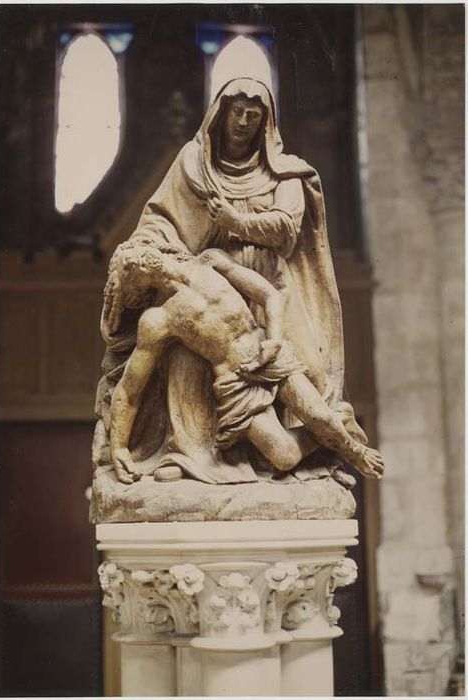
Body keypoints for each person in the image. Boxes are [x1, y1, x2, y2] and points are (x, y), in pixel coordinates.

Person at [94, 77, 348, 484]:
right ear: (221, 113)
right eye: (237, 112)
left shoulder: (286, 173)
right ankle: (191, 454)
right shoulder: (192, 164)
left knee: (312, 375)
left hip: (268, 283)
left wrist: (235, 221)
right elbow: (160, 220)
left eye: (254, 115)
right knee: (185, 354)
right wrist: (144, 252)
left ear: (266, 123)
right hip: (210, 278)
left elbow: (286, 229)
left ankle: (321, 442)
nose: (243, 122)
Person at [107, 243, 384, 485]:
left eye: (134, 254)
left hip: (266, 354)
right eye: (127, 268)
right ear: (134, 287)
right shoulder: (157, 320)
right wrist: (118, 447)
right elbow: (130, 390)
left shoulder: (211, 261)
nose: (135, 261)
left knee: (319, 417)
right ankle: (341, 418)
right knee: (284, 456)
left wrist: (274, 339)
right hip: (234, 384)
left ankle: (354, 451)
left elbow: (269, 295)